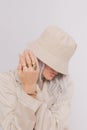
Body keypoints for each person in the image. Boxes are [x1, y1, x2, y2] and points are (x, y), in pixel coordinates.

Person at [0, 26, 77, 130]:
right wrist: (29, 90)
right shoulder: (7, 81)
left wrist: (32, 91)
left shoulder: (64, 85)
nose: (57, 70)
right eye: (53, 63)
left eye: (59, 65)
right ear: (38, 56)